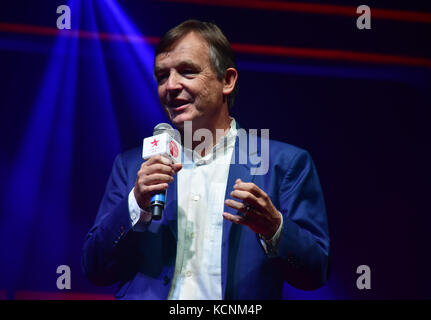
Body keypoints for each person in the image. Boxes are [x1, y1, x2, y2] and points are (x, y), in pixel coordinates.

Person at [82, 19, 330, 299]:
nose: (171, 86)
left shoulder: (283, 164)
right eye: (162, 76)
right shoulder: (131, 167)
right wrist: (135, 204)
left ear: (227, 80)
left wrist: (275, 229)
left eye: (187, 72)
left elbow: (315, 272)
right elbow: (95, 269)